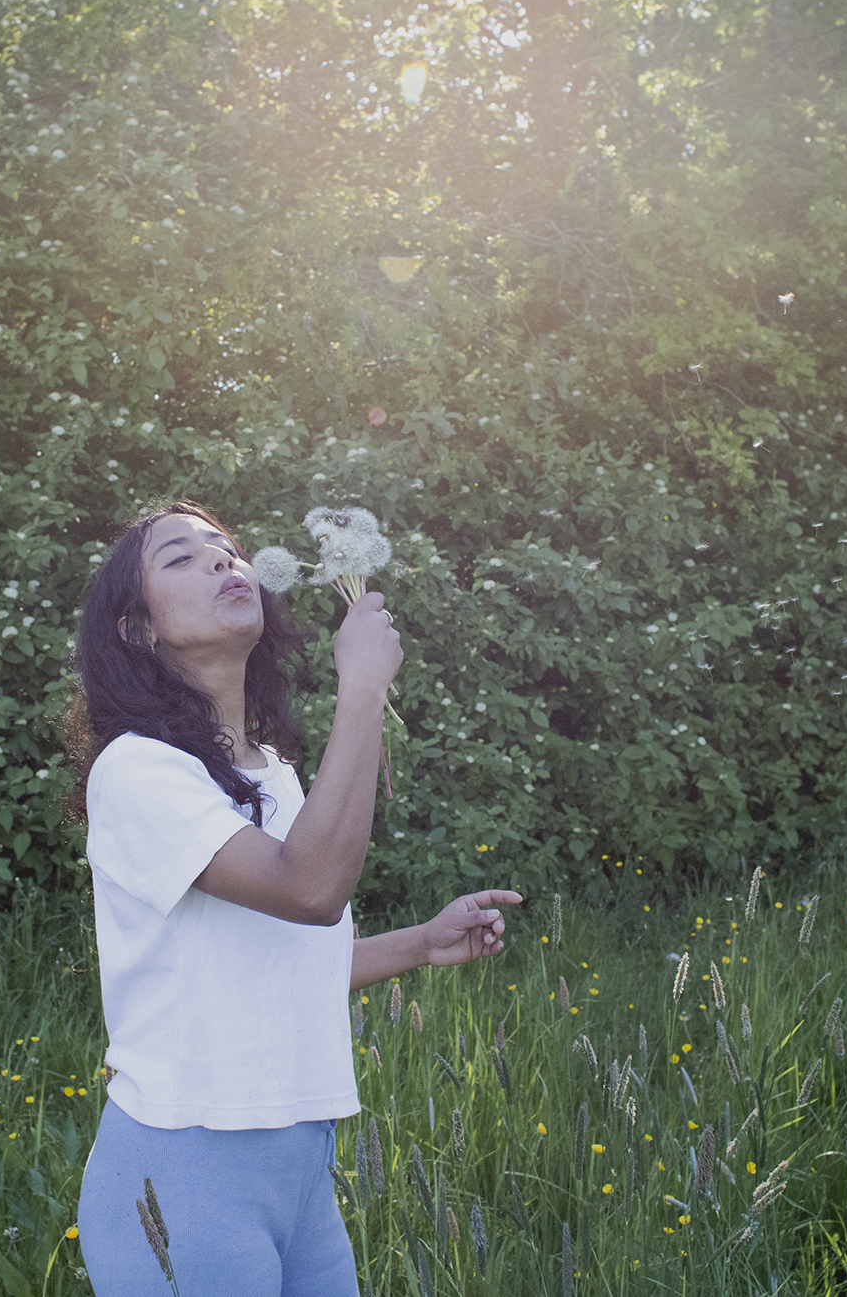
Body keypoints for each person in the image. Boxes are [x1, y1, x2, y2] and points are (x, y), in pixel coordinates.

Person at [66, 501, 522, 1296]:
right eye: (182, 558)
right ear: (137, 629)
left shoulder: (269, 768)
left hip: (303, 1172)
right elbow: (309, 888)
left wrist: (420, 941)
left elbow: (279, 958)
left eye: (228, 548)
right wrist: (364, 689)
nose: (221, 561)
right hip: (185, 1178)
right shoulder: (136, 769)